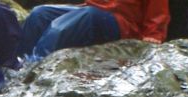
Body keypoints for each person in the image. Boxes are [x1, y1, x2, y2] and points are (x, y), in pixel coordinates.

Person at [19, 0, 170, 63]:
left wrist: (153, 34)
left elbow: (158, 10)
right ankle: (18, 63)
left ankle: (34, 65)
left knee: (59, 27)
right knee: (39, 13)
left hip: (119, 22)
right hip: (89, 9)